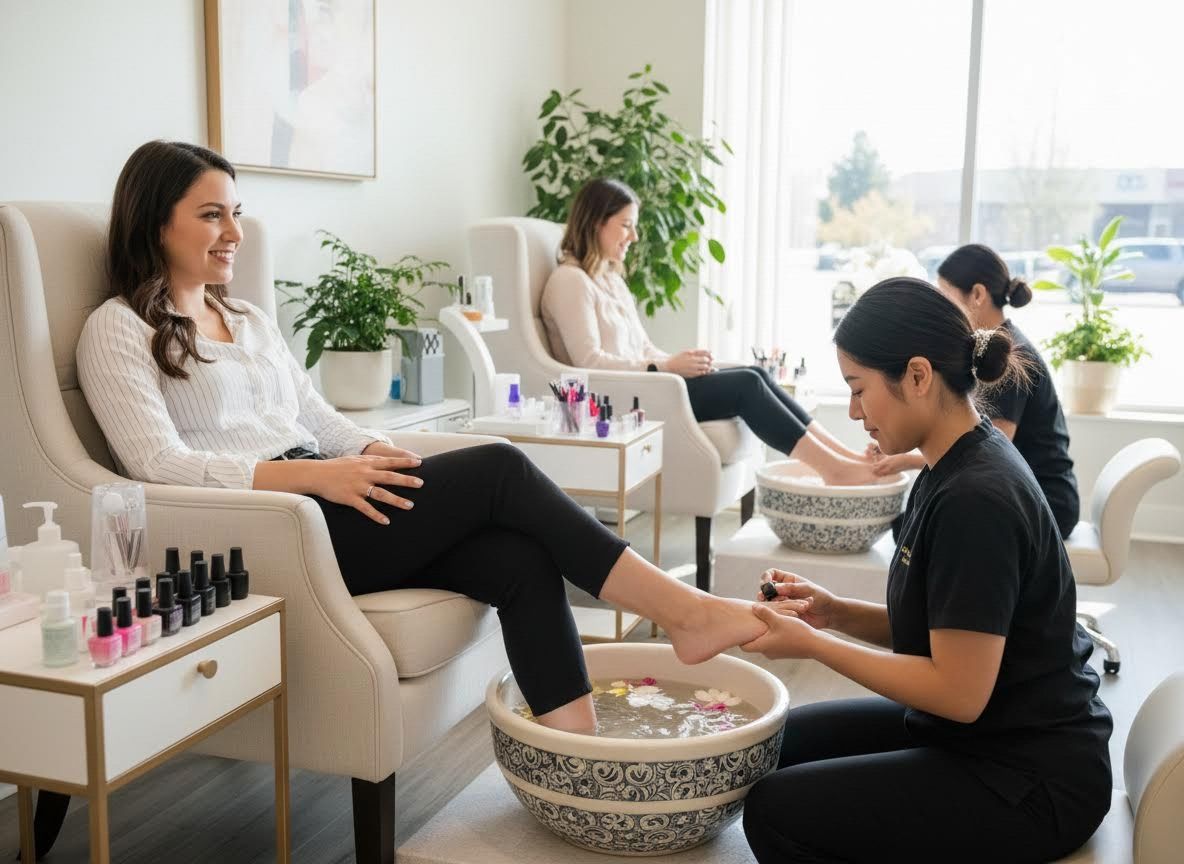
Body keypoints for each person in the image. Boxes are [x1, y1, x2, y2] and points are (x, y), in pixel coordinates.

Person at [76, 141, 775, 732]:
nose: (233, 230)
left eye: (237, 212)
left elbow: (316, 417)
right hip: (272, 526)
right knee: (501, 466)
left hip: (330, 493)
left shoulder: (250, 318)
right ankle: (683, 612)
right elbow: (155, 463)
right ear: (154, 224)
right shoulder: (118, 328)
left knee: (520, 557)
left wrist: (364, 449)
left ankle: (585, 752)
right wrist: (313, 477)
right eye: (210, 214)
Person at [739, 277, 1112, 863]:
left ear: (917, 375)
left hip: (1030, 775)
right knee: (779, 741)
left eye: (859, 390)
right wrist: (832, 612)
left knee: (775, 813)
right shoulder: (949, 464)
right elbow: (948, 626)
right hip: (980, 731)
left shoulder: (977, 499)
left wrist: (813, 645)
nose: (855, 411)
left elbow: (957, 692)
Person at [540, 178, 877, 487]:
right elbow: (589, 362)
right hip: (621, 397)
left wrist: (678, 361)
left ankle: (844, 456)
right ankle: (833, 469)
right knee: (746, 386)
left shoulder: (610, 280)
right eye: (626, 225)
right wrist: (665, 367)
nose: (634, 237)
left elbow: (642, 348)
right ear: (596, 223)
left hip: (650, 382)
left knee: (754, 371)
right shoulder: (570, 282)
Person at [870, 244, 1080, 538]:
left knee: (912, 529)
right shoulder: (988, 353)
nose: (942, 305)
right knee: (912, 523)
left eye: (946, 295)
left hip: (1048, 501)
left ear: (978, 295)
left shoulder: (1008, 359)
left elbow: (991, 446)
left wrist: (904, 458)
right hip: (1021, 491)